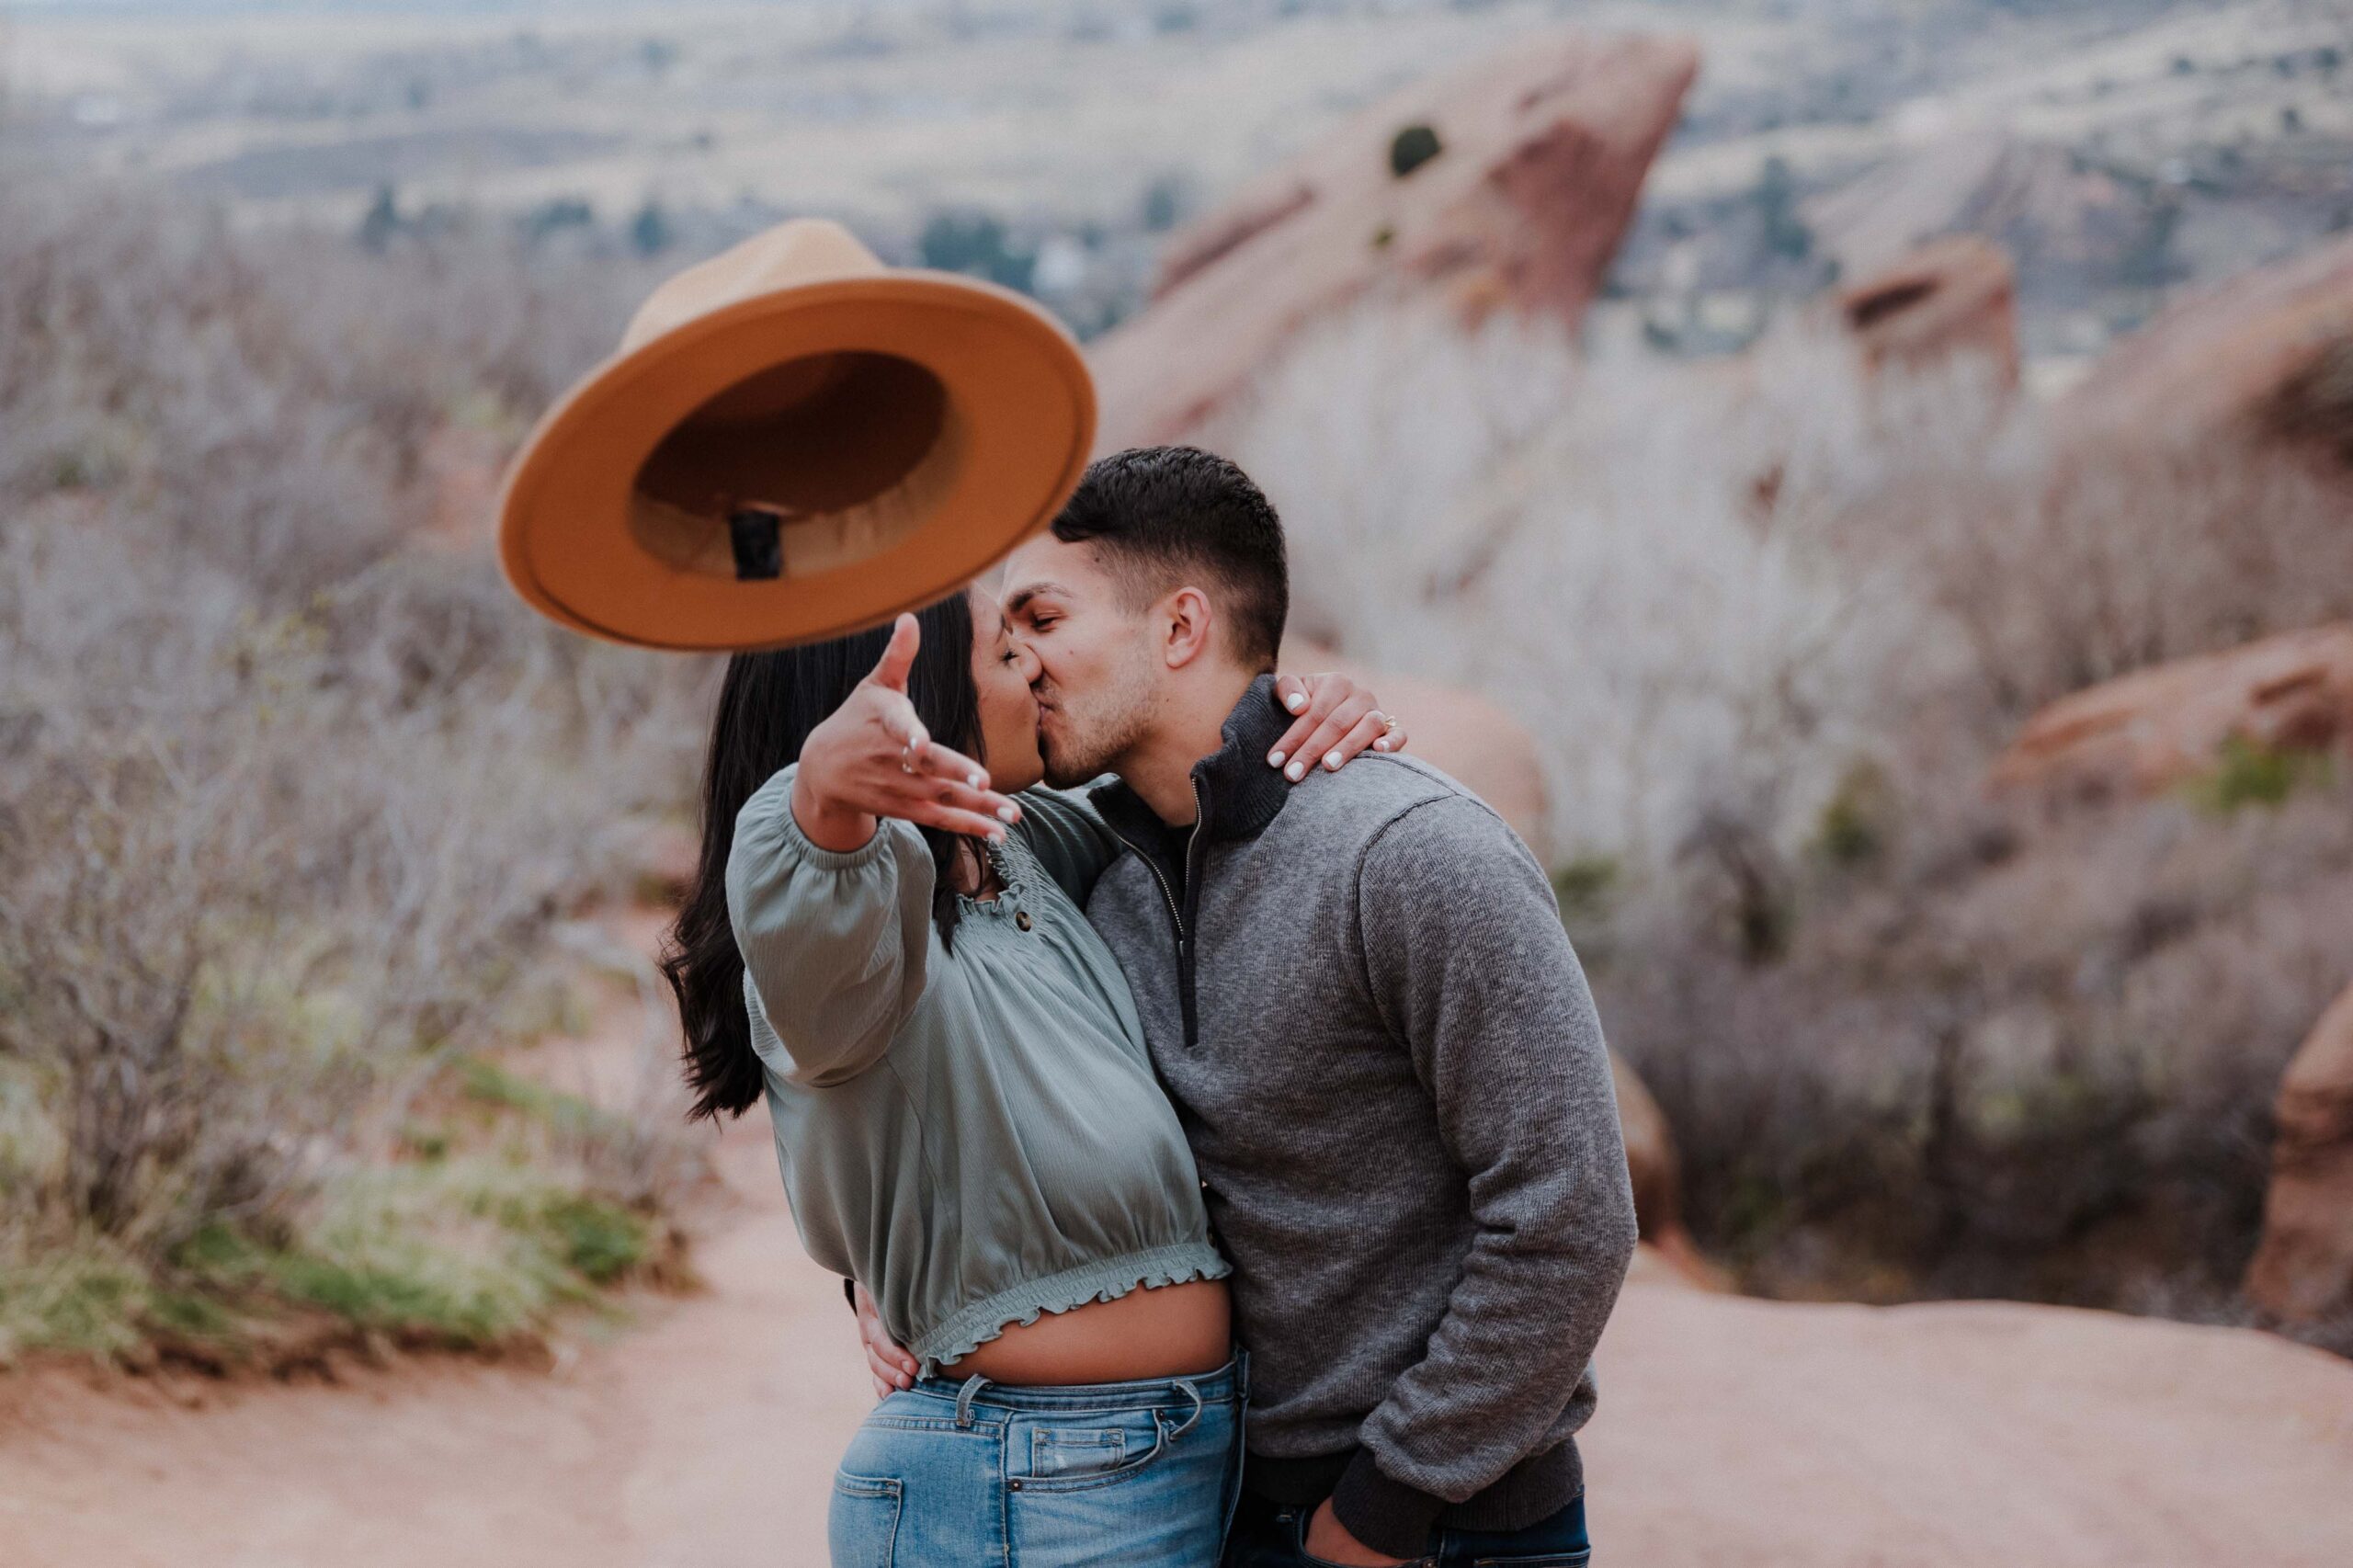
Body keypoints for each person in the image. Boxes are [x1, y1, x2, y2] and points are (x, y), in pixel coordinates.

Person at [863, 446, 1639, 1567]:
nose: (1018, 658)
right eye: (1008, 632)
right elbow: (927, 1073)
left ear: (1180, 627)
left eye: (1044, 617)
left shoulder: (1412, 852)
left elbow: (1569, 1217)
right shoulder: (1099, 874)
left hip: (1441, 1527)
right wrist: (876, 1279)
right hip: (1212, 1502)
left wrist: (1383, 1508)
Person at [660, 582, 1407, 1568]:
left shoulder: (1020, 846)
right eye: (1008, 656)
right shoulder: (847, 909)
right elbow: (810, 904)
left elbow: (1181, 778)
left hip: (1147, 1464)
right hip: (1023, 1484)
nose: (1037, 670)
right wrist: (826, 792)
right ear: (917, 710)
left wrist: (1293, 712)